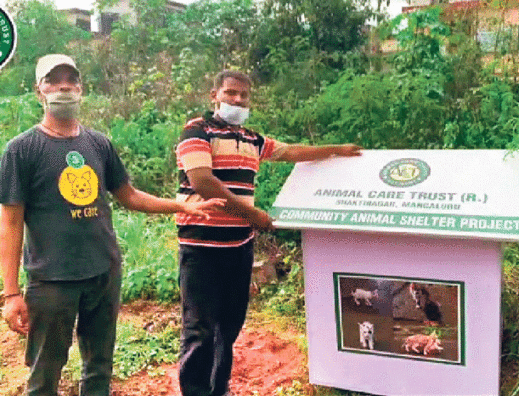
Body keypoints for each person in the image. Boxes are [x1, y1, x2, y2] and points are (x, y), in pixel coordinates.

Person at [0, 54, 225, 396]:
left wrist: (181, 205)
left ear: (81, 88)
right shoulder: (22, 150)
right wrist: (12, 292)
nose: (64, 87)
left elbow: (129, 196)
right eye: (53, 81)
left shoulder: (97, 143)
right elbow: (11, 223)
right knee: (45, 373)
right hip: (51, 281)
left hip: (104, 272)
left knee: (99, 368)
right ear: (38, 91)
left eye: (71, 80)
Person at [175, 69, 362, 396]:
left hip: (239, 247)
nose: (237, 100)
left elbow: (291, 152)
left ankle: (218, 390)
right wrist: (253, 215)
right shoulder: (197, 131)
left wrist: (336, 150)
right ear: (214, 95)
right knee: (199, 330)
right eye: (230, 93)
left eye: (243, 95)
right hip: (201, 247)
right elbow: (202, 180)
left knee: (228, 327)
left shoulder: (252, 139)